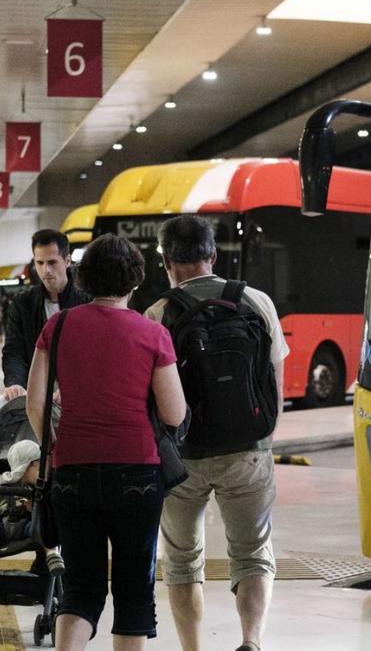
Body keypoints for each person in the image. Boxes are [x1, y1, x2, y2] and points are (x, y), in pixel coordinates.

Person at [26, 233, 187, 651]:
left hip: (72, 471)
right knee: (134, 590)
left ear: (83, 277)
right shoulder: (153, 334)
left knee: (80, 589)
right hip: (137, 472)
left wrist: (60, 444)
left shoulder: (57, 327)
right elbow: (174, 414)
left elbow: (34, 403)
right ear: (135, 281)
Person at [144, 215, 289, 651]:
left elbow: (152, 398)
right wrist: (260, 438)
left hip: (182, 457)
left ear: (166, 261)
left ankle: (193, 649)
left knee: (183, 562)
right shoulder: (257, 301)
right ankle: (252, 641)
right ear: (213, 255)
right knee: (253, 553)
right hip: (248, 450)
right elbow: (275, 381)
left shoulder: (158, 314)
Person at [2, 229, 90, 402]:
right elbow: (14, 350)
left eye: (52, 262)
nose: (45, 270)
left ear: (67, 261)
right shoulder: (22, 303)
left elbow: (94, 353)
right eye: (39, 263)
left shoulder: (87, 301)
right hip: (36, 394)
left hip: (80, 395)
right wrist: (15, 382)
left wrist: (74, 386)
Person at [0, 439, 64, 576]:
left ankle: (52, 554)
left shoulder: (40, 489)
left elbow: (46, 513)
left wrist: (33, 508)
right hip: (1, 524)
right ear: (25, 466)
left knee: (45, 529)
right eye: (39, 465)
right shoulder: (1, 483)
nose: (45, 470)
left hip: (27, 526)